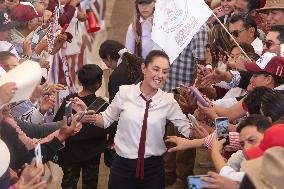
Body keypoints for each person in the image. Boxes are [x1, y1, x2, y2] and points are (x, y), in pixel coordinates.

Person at [89, 50, 194, 189]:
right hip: (122, 167)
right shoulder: (125, 92)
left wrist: (198, 113)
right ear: (144, 68)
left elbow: (188, 131)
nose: (160, 76)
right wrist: (88, 116)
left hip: (153, 169)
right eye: (156, 69)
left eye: (165, 72)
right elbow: (106, 119)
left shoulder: (168, 101)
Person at [53, 64, 106, 189]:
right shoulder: (102, 104)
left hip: (70, 153)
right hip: (93, 153)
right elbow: (105, 128)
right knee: (90, 183)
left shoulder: (70, 100)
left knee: (68, 184)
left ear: (80, 81)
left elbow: (57, 123)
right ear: (98, 84)